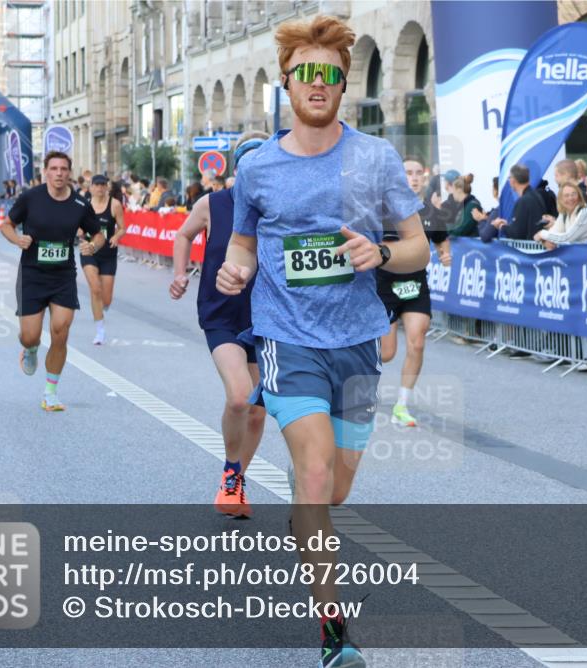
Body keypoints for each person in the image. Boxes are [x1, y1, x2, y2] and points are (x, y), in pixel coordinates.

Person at [217, 15, 428, 667]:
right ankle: (334, 633)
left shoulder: (376, 158)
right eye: (304, 73)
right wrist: (234, 270)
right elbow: (243, 244)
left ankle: (306, 513)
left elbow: (418, 249)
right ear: (286, 83)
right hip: (288, 339)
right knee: (312, 473)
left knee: (333, 491)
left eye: (329, 74)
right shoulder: (258, 167)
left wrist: (381, 252)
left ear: (342, 84)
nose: (317, 83)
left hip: (358, 342)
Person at [170, 132, 269, 518]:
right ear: (237, 168)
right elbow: (183, 234)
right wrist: (180, 273)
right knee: (240, 397)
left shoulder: (279, 208)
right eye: (248, 165)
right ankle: (230, 473)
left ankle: (237, 481)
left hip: (267, 318)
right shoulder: (212, 203)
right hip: (222, 313)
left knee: (258, 411)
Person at [0, 151, 105, 411]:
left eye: (63, 169)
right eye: (54, 168)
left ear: (69, 172)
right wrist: (17, 239)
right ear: (45, 171)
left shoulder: (80, 204)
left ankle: (50, 393)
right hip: (32, 275)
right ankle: (30, 349)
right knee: (29, 336)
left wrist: (93, 246)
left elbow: (98, 234)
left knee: (60, 332)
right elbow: (6, 225)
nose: (59, 173)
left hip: (63, 277)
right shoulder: (31, 198)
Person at [377, 155, 450, 427]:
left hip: (415, 286)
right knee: (386, 353)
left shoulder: (430, 212)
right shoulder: (383, 209)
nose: (415, 177)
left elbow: (442, 240)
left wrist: (445, 254)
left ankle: (402, 405)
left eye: (419, 172)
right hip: (383, 287)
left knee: (417, 342)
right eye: (409, 172)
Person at [80, 174, 125, 345]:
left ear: (107, 187)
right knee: (95, 289)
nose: (99, 188)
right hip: (89, 252)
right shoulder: (84, 205)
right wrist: (79, 232)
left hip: (108, 254)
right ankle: (100, 331)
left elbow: (122, 228)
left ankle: (102, 307)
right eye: (96, 185)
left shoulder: (114, 204)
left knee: (106, 299)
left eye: (102, 185)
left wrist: (116, 236)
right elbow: (76, 226)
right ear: (90, 187)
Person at [489, 163, 547, 241]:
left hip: (528, 247)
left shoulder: (523, 201)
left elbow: (517, 233)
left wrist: (501, 226)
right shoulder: (537, 196)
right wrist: (507, 225)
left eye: (509, 178)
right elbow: (524, 227)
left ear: (513, 180)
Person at [536, 182, 587, 250]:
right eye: (566, 195)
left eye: (573, 194)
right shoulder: (564, 213)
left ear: (579, 196)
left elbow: (567, 238)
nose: (570, 198)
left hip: (586, 255)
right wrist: (545, 240)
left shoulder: (585, 213)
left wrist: (542, 234)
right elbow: (554, 232)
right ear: (561, 200)